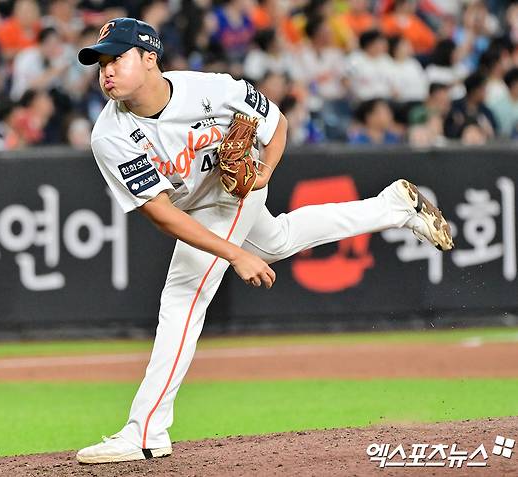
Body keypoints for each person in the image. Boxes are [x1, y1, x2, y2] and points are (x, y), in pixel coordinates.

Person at [74, 17, 454, 464]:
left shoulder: (212, 89)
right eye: (100, 63)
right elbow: (161, 213)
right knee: (276, 241)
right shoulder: (110, 135)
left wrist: (264, 174)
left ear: (150, 58)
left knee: (183, 296)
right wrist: (236, 253)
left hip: (233, 190)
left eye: (117, 58)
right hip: (192, 205)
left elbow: (277, 125)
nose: (106, 71)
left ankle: (146, 431)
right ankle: (393, 207)